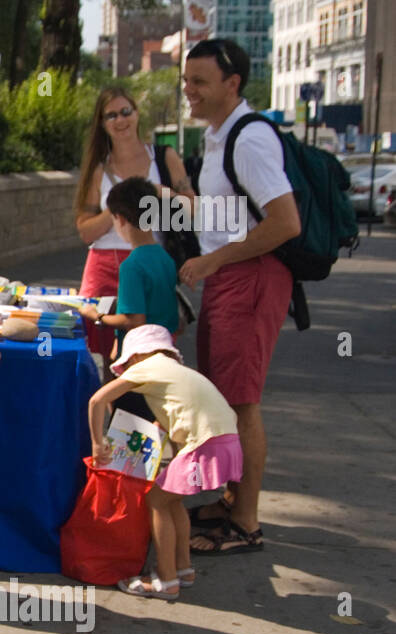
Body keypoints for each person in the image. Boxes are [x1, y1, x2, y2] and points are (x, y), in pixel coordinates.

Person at [179, 38, 299, 554]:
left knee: (242, 403)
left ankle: (244, 522)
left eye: (199, 82)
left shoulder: (247, 140)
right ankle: (225, 500)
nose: (190, 91)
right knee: (226, 396)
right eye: (186, 80)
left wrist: (214, 260)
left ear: (233, 84)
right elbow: (231, 214)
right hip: (234, 276)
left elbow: (285, 222)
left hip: (250, 278)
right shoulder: (220, 135)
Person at [88, 325, 243, 599]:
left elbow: (98, 400)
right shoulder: (177, 373)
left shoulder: (147, 366)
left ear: (135, 356)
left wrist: (98, 443)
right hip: (226, 441)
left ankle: (166, 580)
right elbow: (177, 419)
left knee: (157, 501)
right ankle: (183, 569)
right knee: (172, 502)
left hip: (204, 444)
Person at [74, 87, 191, 360]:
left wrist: (156, 191)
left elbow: (191, 209)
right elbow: (84, 230)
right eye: (111, 115)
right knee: (98, 349)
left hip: (150, 260)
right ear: (102, 124)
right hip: (102, 264)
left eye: (126, 111)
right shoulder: (99, 169)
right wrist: (119, 205)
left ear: (137, 114)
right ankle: (101, 402)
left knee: (152, 346)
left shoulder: (163, 157)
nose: (120, 120)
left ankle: (137, 403)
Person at [79, 176, 180, 340]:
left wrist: (96, 315)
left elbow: (134, 321)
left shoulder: (131, 266)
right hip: (165, 343)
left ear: (120, 219)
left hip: (140, 351)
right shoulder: (165, 258)